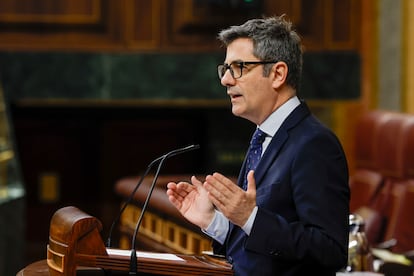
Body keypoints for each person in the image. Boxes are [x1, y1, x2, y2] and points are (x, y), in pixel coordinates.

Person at [166, 15, 350, 276]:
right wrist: (214, 221)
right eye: (225, 69)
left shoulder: (314, 144)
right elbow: (257, 246)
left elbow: (330, 249)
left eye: (239, 67)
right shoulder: (263, 136)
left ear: (277, 74)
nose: (226, 80)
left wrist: (249, 217)